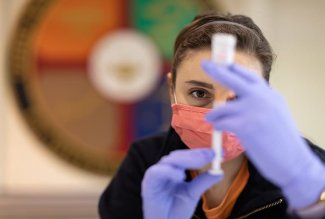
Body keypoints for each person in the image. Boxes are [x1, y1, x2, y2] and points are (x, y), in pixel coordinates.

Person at [99, 13, 325, 219]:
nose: (218, 113)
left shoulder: (310, 167)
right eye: (199, 93)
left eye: (237, 96)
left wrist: (314, 199)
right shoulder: (144, 164)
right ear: (171, 90)